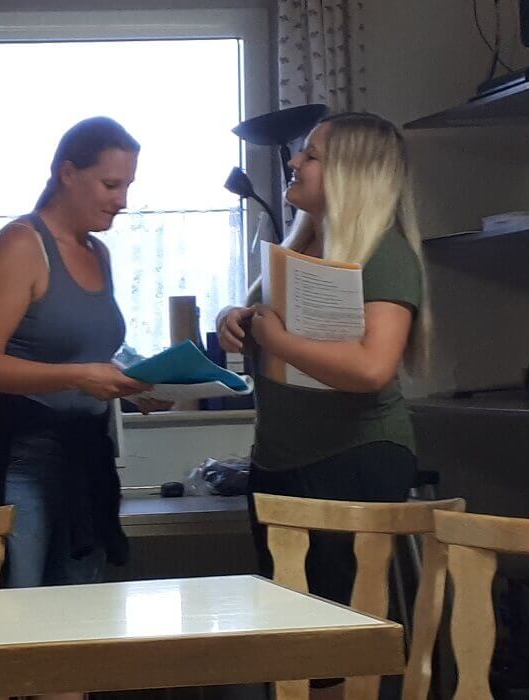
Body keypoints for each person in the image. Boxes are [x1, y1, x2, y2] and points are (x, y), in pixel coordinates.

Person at [217, 111, 429, 695]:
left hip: (352, 459)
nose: (293, 161)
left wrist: (276, 339)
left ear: (351, 174)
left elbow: (371, 368)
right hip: (281, 463)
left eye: (311, 154)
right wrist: (233, 317)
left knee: (333, 650)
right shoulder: (302, 247)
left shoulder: (384, 253)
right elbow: (266, 329)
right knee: (293, 645)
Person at [0, 116, 169, 604]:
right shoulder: (21, 244)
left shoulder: (98, 253)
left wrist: (135, 385)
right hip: (21, 459)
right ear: (68, 173)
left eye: (128, 186)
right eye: (110, 184)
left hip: (84, 456)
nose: (122, 200)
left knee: (79, 614)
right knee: (19, 613)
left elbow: (88, 354)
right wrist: (79, 377)